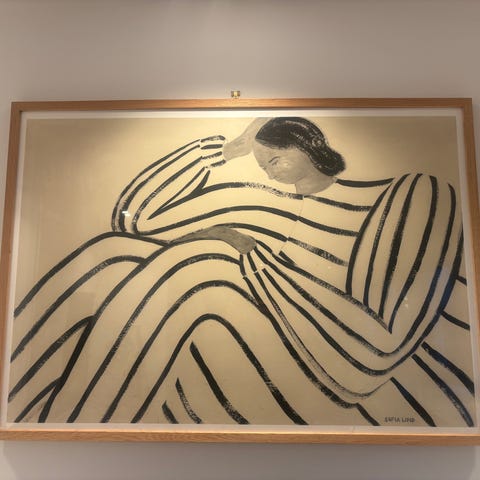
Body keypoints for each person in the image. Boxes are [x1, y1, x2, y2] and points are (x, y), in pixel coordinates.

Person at [8, 117, 474, 427]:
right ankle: (26, 421)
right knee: (115, 254)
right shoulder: (266, 205)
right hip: (260, 357)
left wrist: (249, 257)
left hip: (361, 385)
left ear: (307, 146)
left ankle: (78, 433)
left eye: (275, 159)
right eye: (262, 163)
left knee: (200, 267)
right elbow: (133, 220)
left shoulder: (410, 195)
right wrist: (228, 151)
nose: (268, 172)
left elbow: (373, 355)